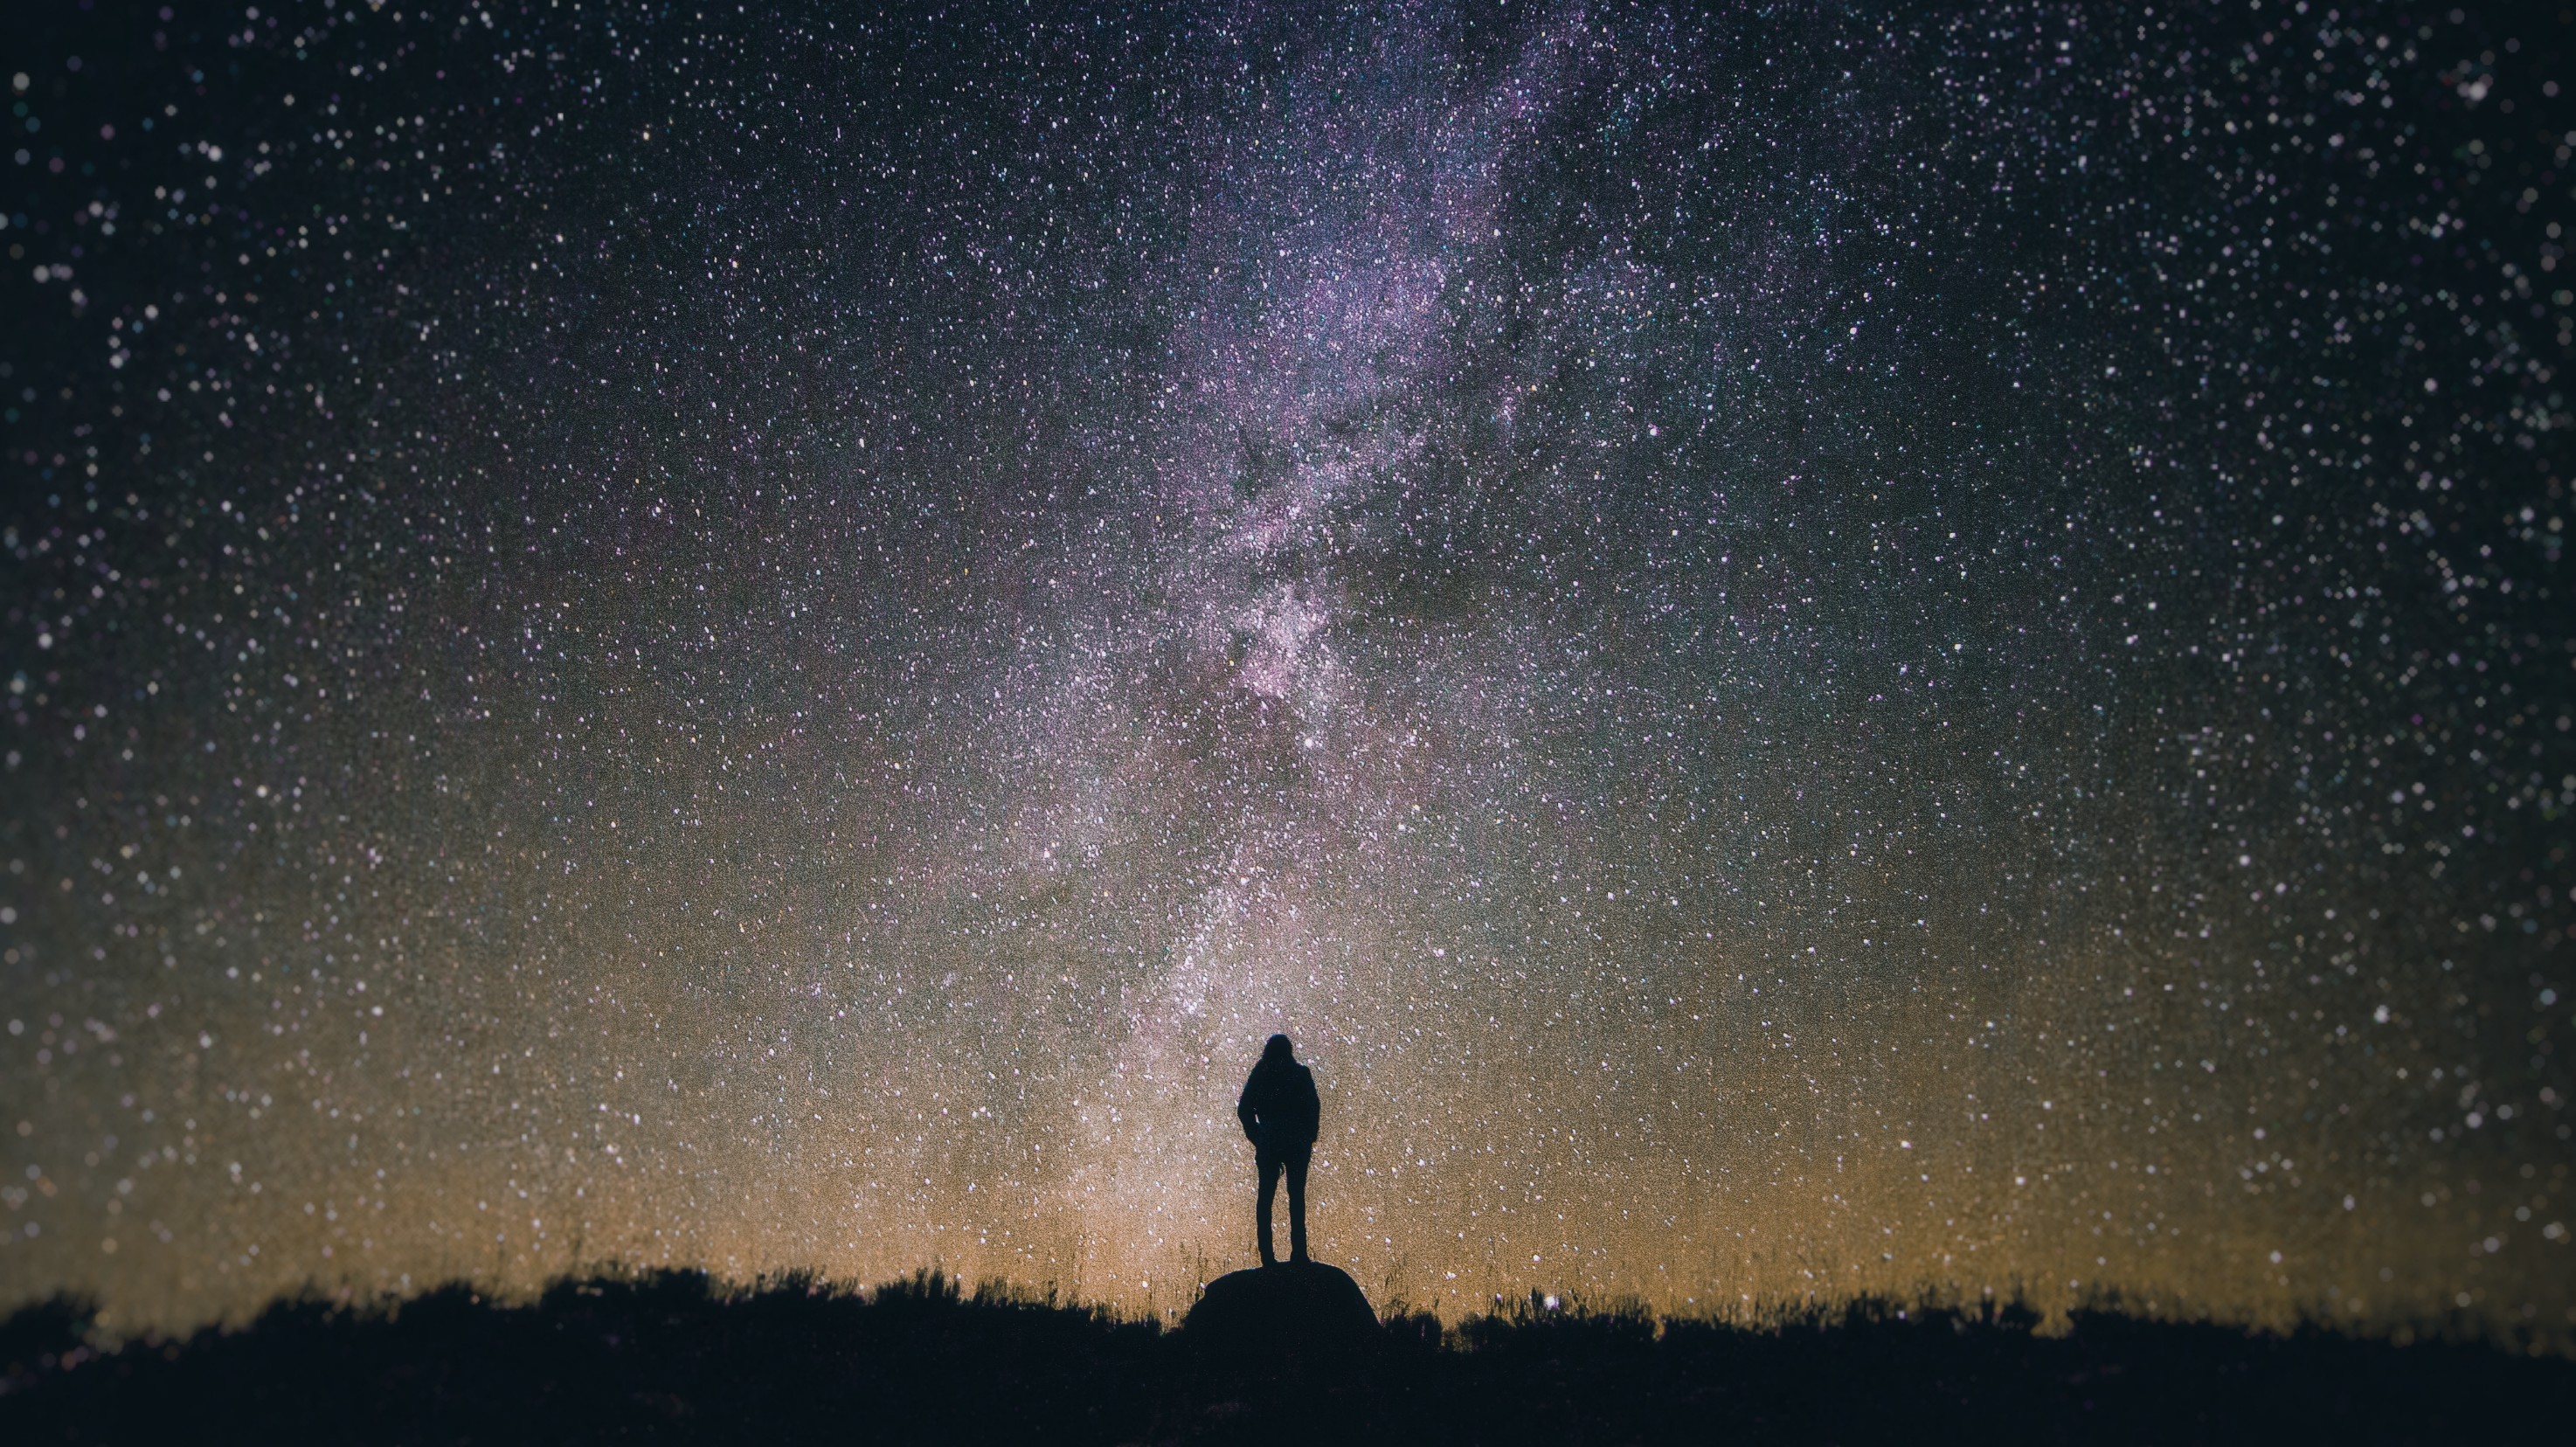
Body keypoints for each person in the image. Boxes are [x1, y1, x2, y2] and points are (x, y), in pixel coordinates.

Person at [1236, 1033, 1319, 1267]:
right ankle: (1299, 1254)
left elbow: (1244, 1109)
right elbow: (1313, 1107)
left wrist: (1258, 1136)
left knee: (1266, 1199)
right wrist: (1308, 1136)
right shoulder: (1299, 1074)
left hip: (1271, 1141)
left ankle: (1268, 1258)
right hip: (1294, 1143)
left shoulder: (1261, 1074)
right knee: (1296, 1197)